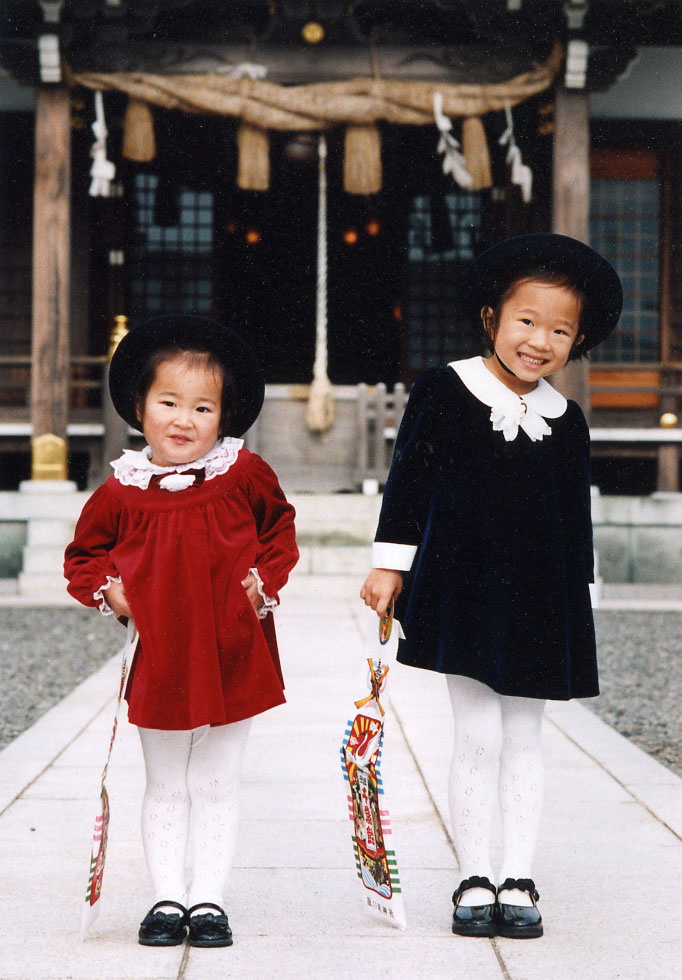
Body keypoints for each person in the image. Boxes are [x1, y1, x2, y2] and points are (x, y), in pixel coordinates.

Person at [360, 234, 622, 939]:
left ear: (578, 340)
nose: (540, 341)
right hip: (464, 591)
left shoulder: (568, 421)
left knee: (525, 738)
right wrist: (390, 563)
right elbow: (409, 478)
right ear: (491, 318)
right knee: (475, 735)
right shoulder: (445, 389)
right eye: (526, 321)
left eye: (560, 330)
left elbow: (575, 519)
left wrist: (582, 597)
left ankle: (518, 875)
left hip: (540, 599)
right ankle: (474, 875)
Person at [64, 315, 298, 948]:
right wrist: (109, 590)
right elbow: (83, 556)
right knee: (166, 782)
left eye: (203, 407)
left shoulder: (242, 474)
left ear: (224, 417)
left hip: (233, 647)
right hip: (161, 654)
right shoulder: (122, 491)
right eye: (168, 402)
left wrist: (263, 580)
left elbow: (279, 530)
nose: (184, 419)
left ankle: (209, 899)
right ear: (139, 407)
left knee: (216, 781)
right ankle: (168, 897)